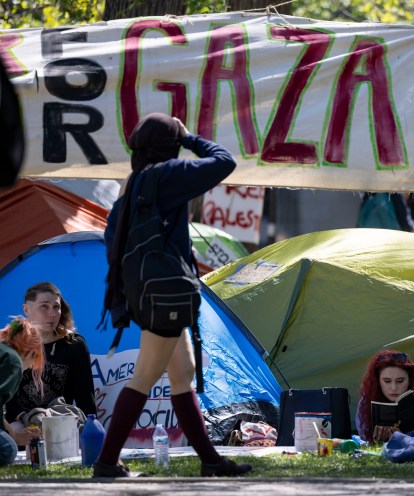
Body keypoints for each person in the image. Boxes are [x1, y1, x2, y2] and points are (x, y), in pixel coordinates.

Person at [95, 113, 250, 478]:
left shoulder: (131, 185)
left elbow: (110, 240)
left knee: (183, 372)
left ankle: (211, 461)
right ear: (170, 145)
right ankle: (106, 462)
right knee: (146, 376)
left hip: (147, 294)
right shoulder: (167, 176)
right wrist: (190, 137)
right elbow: (224, 161)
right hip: (166, 294)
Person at [6, 282, 96, 427]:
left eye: (56, 307)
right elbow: (4, 395)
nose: (52, 314)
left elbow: (84, 395)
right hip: (18, 420)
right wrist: (25, 417)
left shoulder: (74, 344)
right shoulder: (11, 342)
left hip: (58, 418)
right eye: (44, 306)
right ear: (26, 309)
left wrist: (91, 428)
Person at [355, 350, 414, 444]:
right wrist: (377, 439)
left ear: (409, 380)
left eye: (400, 381)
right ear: (378, 381)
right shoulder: (370, 393)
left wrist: (404, 438)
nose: (393, 388)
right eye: (387, 381)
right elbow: (363, 435)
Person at [0, 317, 44, 465]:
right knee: (8, 449)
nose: (32, 366)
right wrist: (16, 437)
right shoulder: (13, 361)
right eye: (35, 358)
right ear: (31, 351)